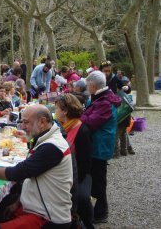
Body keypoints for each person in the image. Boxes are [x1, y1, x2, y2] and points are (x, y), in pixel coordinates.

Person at [0, 105, 73, 228]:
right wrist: (18, 202)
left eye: (26, 122)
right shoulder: (48, 138)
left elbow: (18, 172)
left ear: (42, 122)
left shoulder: (52, 146)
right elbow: (29, 178)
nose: (23, 126)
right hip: (39, 208)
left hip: (49, 218)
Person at [80, 71, 121, 224]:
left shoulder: (105, 102)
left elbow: (89, 122)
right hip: (98, 144)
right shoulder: (101, 98)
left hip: (100, 147)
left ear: (92, 85)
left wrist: (80, 115)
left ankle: (101, 212)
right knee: (95, 178)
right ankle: (96, 210)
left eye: (87, 85)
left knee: (98, 180)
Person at [55, 94, 94, 228]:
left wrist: (72, 182)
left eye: (57, 109)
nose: (55, 112)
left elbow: (85, 163)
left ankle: (87, 224)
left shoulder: (81, 130)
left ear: (65, 111)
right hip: (66, 173)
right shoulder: (62, 126)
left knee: (81, 198)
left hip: (79, 174)